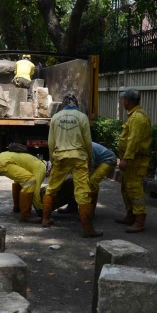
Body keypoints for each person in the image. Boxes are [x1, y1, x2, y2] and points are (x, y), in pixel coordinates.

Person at [42, 92, 102, 238]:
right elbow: (88, 141)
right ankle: (88, 230)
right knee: (83, 193)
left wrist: (51, 159)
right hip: (78, 158)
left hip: (60, 157)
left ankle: (45, 219)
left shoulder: (55, 117)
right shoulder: (82, 117)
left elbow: (51, 142)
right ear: (76, 104)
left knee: (52, 189)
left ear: (63, 105)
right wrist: (90, 160)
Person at [115, 88, 151, 233]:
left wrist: (126, 159)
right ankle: (130, 215)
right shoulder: (135, 115)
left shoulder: (137, 118)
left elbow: (133, 141)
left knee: (135, 190)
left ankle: (140, 221)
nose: (123, 102)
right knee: (126, 188)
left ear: (127, 101)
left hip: (135, 162)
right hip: (131, 161)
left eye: (124, 99)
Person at [0, 145, 46, 222]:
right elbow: (35, 192)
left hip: (1, 158)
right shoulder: (42, 168)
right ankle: (25, 216)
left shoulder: (36, 161)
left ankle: (17, 207)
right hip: (5, 162)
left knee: (21, 179)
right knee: (30, 180)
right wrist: (41, 211)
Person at [89, 141, 117, 213]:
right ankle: (73, 207)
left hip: (108, 159)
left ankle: (90, 210)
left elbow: (91, 166)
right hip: (97, 161)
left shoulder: (88, 147)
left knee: (92, 181)